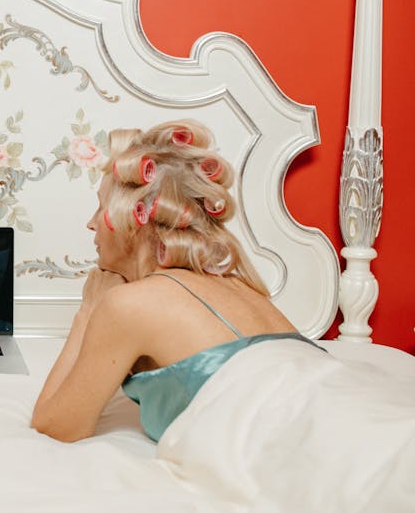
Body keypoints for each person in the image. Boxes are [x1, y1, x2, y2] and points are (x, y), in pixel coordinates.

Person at [31, 119, 322, 443]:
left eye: (101, 207)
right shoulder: (241, 285)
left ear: (134, 217)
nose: (90, 223)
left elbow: (54, 425)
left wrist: (89, 307)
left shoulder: (130, 304)